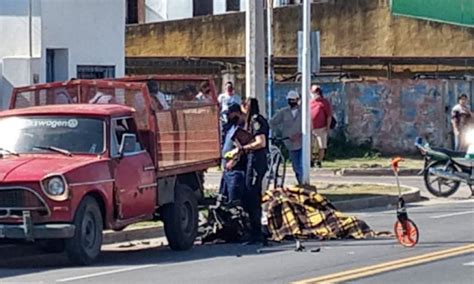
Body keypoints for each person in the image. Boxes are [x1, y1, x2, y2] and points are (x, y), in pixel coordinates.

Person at [227, 98, 269, 244]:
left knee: (252, 194)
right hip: (252, 160)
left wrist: (243, 147)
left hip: (257, 161)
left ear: (247, 107)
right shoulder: (249, 122)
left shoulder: (256, 120)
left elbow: (260, 142)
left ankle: (257, 232)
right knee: (248, 194)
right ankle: (252, 230)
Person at [269, 90, 303, 185]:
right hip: (290, 143)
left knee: (302, 165)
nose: (291, 102)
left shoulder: (303, 112)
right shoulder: (284, 112)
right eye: (290, 100)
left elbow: (310, 126)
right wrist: (275, 134)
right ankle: (301, 182)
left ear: (298, 100)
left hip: (302, 142)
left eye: (293, 100)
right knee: (296, 166)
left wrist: (300, 134)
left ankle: (304, 182)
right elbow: (272, 122)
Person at [220, 103, 247, 202]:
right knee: (224, 197)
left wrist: (233, 161)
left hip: (236, 168)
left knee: (234, 198)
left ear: (237, 113)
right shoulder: (231, 126)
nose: (227, 116)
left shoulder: (242, 128)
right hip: (227, 167)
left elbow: (241, 149)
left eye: (229, 114)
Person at [310, 84, 332, 168]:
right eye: (314, 91)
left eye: (317, 91)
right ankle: (310, 160)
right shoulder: (309, 102)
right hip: (310, 128)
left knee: (321, 145)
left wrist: (328, 127)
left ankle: (319, 161)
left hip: (321, 128)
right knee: (309, 145)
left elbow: (329, 116)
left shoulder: (324, 102)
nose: (316, 93)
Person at [218, 82, 242, 149]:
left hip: (234, 119)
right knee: (223, 134)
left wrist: (235, 114)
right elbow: (219, 108)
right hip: (224, 118)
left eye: (230, 88)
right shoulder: (222, 97)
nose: (229, 89)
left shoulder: (237, 98)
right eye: (227, 88)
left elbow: (240, 109)